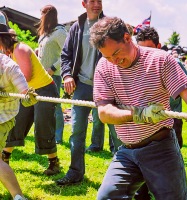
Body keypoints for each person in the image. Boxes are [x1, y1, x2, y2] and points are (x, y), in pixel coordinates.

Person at [89, 16, 187, 199]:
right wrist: (139, 114)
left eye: (116, 53)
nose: (114, 61)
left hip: (160, 148)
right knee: (107, 197)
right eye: (108, 56)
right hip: (126, 151)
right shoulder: (104, 66)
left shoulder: (161, 60)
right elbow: (104, 113)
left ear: (127, 37)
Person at [135, 26, 187, 199]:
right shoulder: (135, 65)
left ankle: (182, 194)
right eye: (141, 49)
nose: (146, 54)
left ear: (159, 46)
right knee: (142, 160)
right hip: (145, 121)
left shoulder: (172, 62)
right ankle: (142, 193)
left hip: (171, 123)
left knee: (170, 165)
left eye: (150, 48)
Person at [56, 0, 110, 186]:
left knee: (118, 133)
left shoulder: (110, 25)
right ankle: (75, 173)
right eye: (92, 1)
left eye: (100, 1)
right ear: (84, 4)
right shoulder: (75, 27)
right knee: (77, 132)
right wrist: (67, 75)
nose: (97, 4)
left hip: (107, 88)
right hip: (82, 87)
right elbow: (65, 55)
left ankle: (128, 178)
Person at [0, 23, 60, 176]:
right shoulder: (5, 53)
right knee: (18, 121)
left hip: (43, 89)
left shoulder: (20, 49)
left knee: (43, 125)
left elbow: (26, 76)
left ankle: (54, 162)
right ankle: (4, 157)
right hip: (25, 91)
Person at [0, 53, 37, 200]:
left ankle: (18, 197)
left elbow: (26, 98)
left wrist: (29, 97)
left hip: (3, 117)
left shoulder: (11, 68)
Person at [37, 5, 67, 144]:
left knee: (55, 106)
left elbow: (67, 54)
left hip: (53, 75)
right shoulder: (45, 33)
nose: (40, 16)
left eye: (42, 13)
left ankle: (58, 137)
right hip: (42, 75)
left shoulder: (60, 32)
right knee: (44, 105)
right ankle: (45, 132)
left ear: (48, 14)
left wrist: (53, 68)